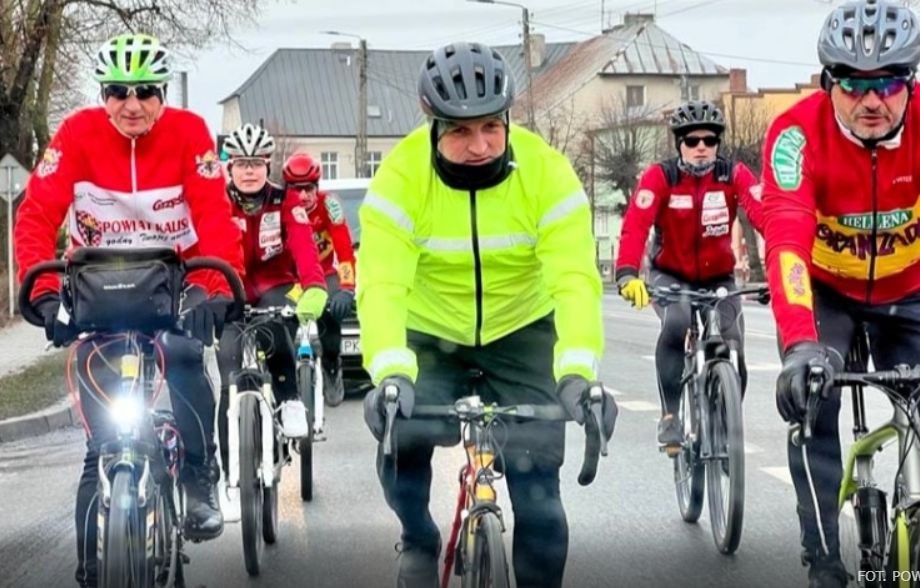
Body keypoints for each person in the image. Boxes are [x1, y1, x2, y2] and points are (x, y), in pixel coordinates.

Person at [762, 1, 920, 585]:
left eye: (890, 82)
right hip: (826, 296)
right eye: (851, 83)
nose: (871, 100)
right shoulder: (795, 135)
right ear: (829, 83)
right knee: (812, 416)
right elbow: (788, 244)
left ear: (911, 82)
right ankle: (822, 559)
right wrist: (799, 342)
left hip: (912, 296)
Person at [357, 42, 618, 588]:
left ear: (507, 119)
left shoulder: (546, 173)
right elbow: (382, 284)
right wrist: (390, 371)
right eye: (459, 132)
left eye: (490, 128)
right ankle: (419, 535)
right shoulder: (400, 179)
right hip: (431, 330)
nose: (478, 146)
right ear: (433, 126)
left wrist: (577, 373)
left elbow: (574, 280)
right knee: (400, 443)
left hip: (521, 328)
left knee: (542, 503)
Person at [13, 33, 245, 587]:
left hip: (176, 278)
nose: (132, 104)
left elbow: (214, 215)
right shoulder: (75, 135)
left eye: (144, 92)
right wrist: (41, 294)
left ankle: (196, 478)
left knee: (184, 353)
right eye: (118, 92)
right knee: (100, 449)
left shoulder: (189, 134)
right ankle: (95, 567)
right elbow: (37, 215)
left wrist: (213, 292)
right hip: (99, 282)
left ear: (162, 93)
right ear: (103, 94)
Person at [615, 99, 764, 451]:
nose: (701, 148)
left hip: (719, 278)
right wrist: (626, 274)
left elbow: (765, 215)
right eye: (692, 141)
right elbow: (635, 227)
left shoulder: (733, 175)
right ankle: (669, 416)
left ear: (718, 144)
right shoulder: (661, 177)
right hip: (671, 275)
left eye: (709, 141)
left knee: (733, 342)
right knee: (677, 321)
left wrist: (784, 264)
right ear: (679, 143)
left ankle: (727, 418)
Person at [216, 124, 329, 441]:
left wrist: (315, 286)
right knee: (229, 373)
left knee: (275, 331)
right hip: (230, 289)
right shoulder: (218, 202)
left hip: (274, 285)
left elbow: (305, 247)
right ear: (230, 167)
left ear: (267, 165)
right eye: (241, 163)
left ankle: (290, 400)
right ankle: (230, 473)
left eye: (255, 164)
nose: (248, 171)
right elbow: (203, 249)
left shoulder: (286, 201)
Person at [282, 152, 357, 406]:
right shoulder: (279, 207)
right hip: (293, 279)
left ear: (317, 188)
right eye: (296, 190)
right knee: (281, 319)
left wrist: (347, 288)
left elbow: (345, 251)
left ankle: (332, 365)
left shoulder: (329, 206)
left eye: (308, 189)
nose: (303, 197)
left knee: (332, 314)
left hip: (324, 274)